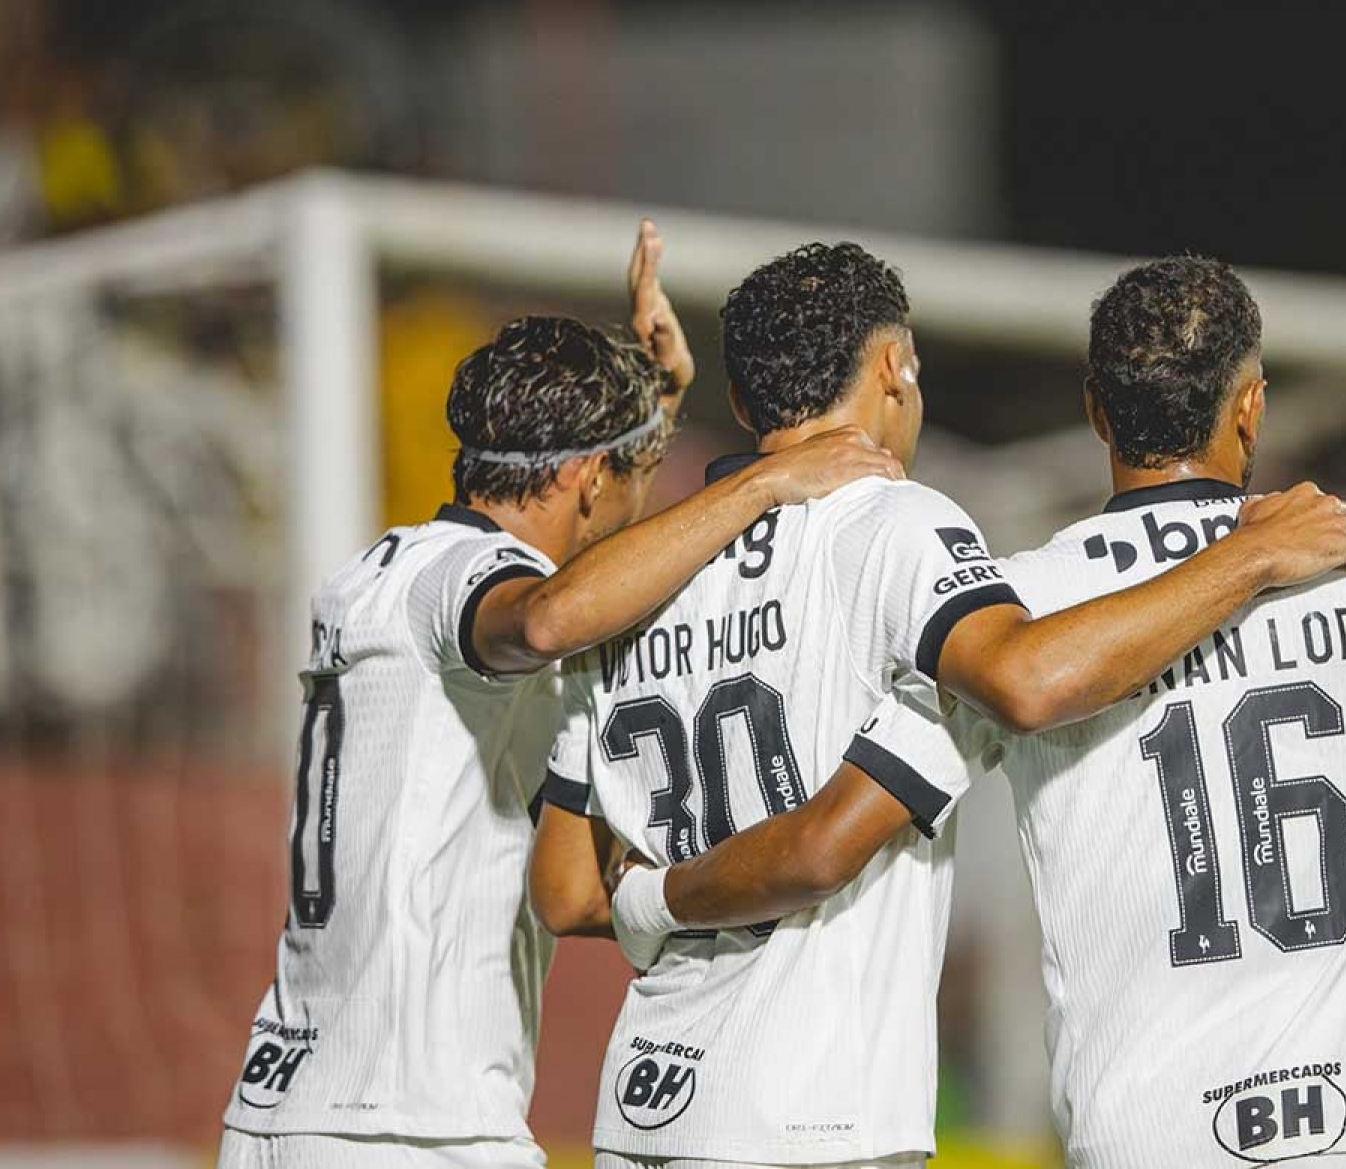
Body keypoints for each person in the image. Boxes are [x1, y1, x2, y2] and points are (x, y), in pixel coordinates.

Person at [603, 258, 1346, 1168]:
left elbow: (829, 835)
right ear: (1252, 408)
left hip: (1145, 1135)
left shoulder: (1013, 613)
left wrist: (651, 896)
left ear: (1096, 412)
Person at [217, 222, 904, 1169]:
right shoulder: (467, 585)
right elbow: (545, 618)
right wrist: (766, 483)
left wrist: (657, 400)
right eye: (635, 475)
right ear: (585, 480)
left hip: (283, 1105)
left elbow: (582, 588)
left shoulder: (373, 574)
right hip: (408, 1122)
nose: (641, 498)